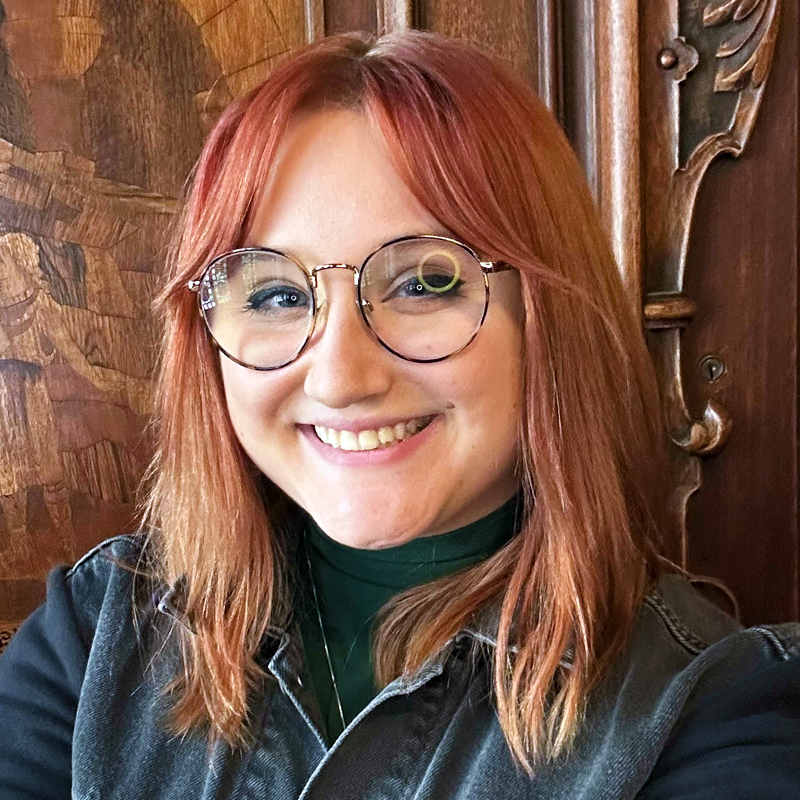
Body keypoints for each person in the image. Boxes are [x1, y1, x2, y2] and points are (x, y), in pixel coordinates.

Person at [0, 30, 798, 800]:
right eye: (277, 294)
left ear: (549, 320)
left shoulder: (707, 710)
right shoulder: (95, 636)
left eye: (425, 282)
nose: (342, 378)